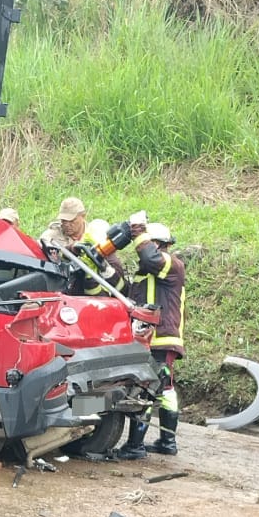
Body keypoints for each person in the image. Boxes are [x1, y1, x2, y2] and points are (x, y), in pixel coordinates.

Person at [116, 220, 185, 459]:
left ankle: (135, 446)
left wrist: (137, 231)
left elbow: (150, 258)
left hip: (160, 339)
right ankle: (167, 442)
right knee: (164, 389)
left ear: (160, 244)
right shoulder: (146, 273)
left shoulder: (172, 265)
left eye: (149, 243)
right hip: (150, 339)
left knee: (147, 389)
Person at [40, 197, 126, 295]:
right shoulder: (51, 236)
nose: (67, 225)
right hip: (66, 283)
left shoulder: (96, 232)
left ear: (83, 216)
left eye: (71, 220)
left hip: (99, 281)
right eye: (63, 220)